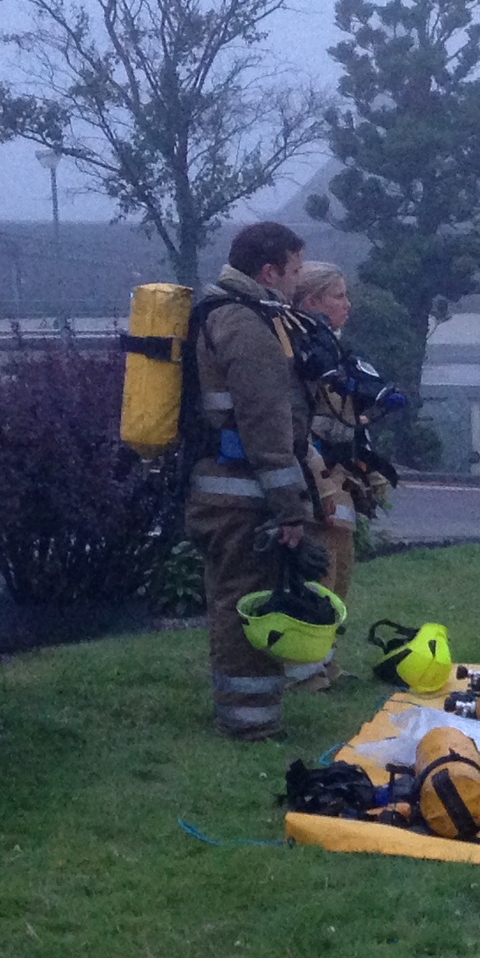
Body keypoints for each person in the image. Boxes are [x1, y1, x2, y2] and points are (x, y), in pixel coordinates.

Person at [188, 221, 321, 739]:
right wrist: (290, 508)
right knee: (247, 604)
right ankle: (251, 725)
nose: (296, 283)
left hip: (217, 488)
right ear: (268, 271)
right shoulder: (246, 325)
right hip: (242, 495)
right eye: (293, 272)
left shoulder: (216, 313)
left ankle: (240, 713)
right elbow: (268, 428)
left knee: (229, 600)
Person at [285, 262, 365, 689]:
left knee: (340, 572)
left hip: (341, 476)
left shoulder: (331, 347)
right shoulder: (299, 350)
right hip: (316, 478)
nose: (347, 304)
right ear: (313, 301)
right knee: (317, 574)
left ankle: (327, 663)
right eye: (338, 295)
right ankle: (303, 671)